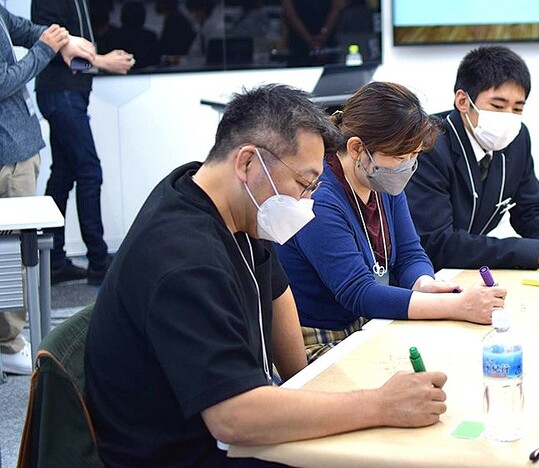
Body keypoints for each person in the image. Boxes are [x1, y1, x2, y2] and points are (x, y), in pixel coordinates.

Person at [85, 84, 447, 467]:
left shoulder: (223, 200)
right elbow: (234, 419)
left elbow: (279, 293)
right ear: (247, 163)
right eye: (304, 183)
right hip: (186, 451)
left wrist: (307, 384)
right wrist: (378, 404)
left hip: (236, 422)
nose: (308, 201)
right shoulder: (185, 261)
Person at [275, 82, 506, 361]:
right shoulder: (320, 198)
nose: (407, 165)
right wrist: (457, 305)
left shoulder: (381, 181)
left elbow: (410, 254)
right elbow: (360, 293)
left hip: (367, 323)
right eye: (399, 156)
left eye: (414, 156)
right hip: (319, 337)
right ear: (358, 147)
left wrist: (423, 283)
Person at [405, 45, 539, 271]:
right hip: (423, 277)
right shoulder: (428, 145)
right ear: (462, 101)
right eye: (497, 106)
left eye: (517, 109)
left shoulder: (517, 137)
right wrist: (538, 252)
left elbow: (530, 209)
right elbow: (437, 242)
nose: (508, 118)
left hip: (467, 272)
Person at [0, 5, 93, 375]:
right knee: (12, 256)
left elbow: (24, 28)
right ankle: (9, 343)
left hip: (16, 145)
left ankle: (9, 340)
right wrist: (45, 49)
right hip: (9, 153)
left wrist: (63, 41)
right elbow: (3, 81)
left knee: (12, 254)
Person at [32, 0, 136, 285]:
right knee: (89, 171)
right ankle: (98, 261)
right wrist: (103, 61)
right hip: (61, 93)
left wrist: (100, 60)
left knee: (63, 175)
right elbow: (50, 46)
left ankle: (54, 262)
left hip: (68, 93)